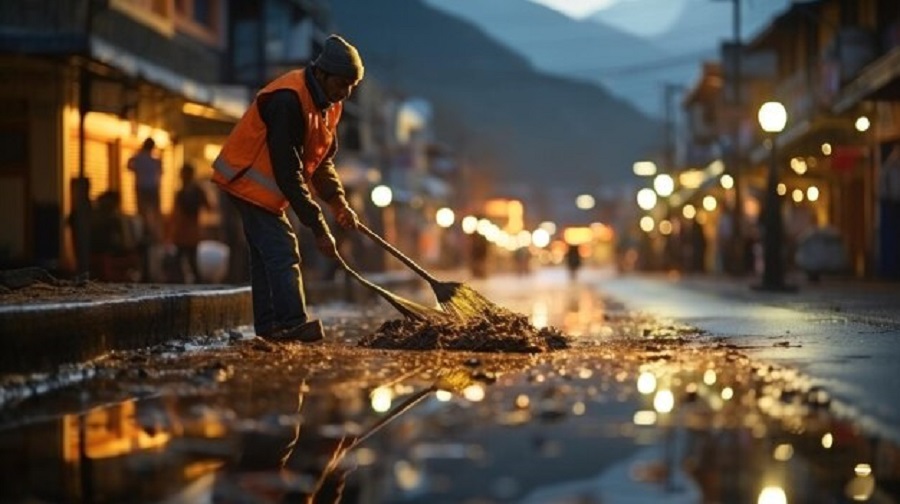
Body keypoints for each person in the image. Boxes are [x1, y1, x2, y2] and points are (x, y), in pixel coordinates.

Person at [211, 34, 364, 343]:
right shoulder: (289, 98)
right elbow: (288, 170)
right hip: (246, 180)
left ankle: (269, 328)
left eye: (351, 86)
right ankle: (292, 323)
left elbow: (320, 162)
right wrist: (319, 228)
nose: (344, 92)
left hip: (265, 192)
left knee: (265, 257)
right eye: (341, 83)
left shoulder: (329, 106)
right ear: (322, 73)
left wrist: (337, 202)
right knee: (282, 249)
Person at [168, 163, 211, 283]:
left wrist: (169, 233)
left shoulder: (181, 193)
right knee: (191, 262)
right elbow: (209, 207)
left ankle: (180, 283)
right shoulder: (198, 191)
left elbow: (175, 215)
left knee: (179, 262)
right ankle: (197, 284)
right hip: (192, 234)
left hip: (182, 233)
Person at [127, 137, 163, 242]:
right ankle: (153, 233)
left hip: (142, 186)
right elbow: (160, 171)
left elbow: (129, 166)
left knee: (142, 211)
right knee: (154, 212)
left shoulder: (138, 158)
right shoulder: (154, 160)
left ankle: (145, 231)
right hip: (152, 187)